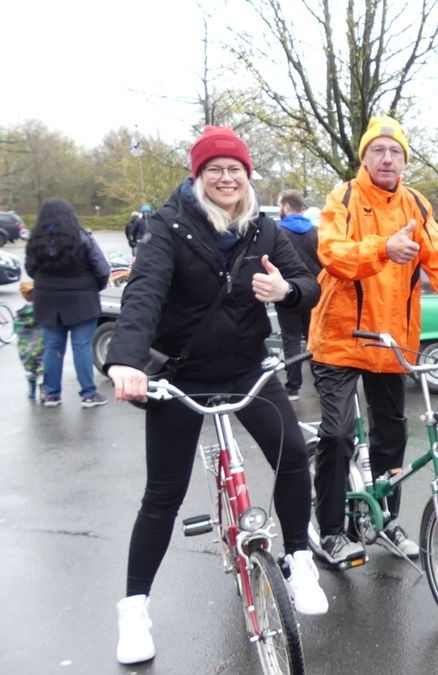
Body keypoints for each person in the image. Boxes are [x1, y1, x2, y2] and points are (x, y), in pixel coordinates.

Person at [104, 125, 328, 665]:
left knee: (294, 455)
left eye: (235, 169)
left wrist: (287, 290)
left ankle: (299, 557)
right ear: (198, 176)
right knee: (163, 494)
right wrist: (125, 361)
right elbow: (144, 294)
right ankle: (134, 608)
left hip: (245, 370)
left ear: (247, 177)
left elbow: (310, 284)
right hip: (179, 377)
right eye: (215, 170)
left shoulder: (263, 229)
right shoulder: (165, 226)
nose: (227, 178)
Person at [309, 115, 438, 565]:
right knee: (335, 435)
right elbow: (331, 253)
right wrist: (382, 249)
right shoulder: (344, 197)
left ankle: (384, 520)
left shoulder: (415, 204)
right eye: (378, 151)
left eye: (395, 152)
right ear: (365, 157)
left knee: (393, 437)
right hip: (340, 336)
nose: (387, 158)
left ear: (405, 160)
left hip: (391, 341)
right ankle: (330, 530)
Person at [24, 197, 111, 408]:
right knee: (82, 347)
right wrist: (92, 288)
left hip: (47, 301)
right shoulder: (82, 238)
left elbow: (30, 270)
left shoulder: (35, 241)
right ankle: (89, 394)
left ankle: (52, 394)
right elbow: (102, 269)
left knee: (53, 347)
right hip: (82, 301)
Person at [275, 189, 321, 400]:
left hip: (287, 292)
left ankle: (293, 387)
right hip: (313, 293)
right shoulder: (315, 232)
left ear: (286, 206)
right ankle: (321, 383)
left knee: (291, 339)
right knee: (314, 339)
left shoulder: (278, 233)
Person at [15, 279, 44, 400]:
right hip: (40, 347)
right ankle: (43, 391)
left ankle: (31, 390)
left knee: (30, 371)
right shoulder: (42, 312)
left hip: (25, 350)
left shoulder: (21, 315)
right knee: (43, 369)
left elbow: (17, 331)